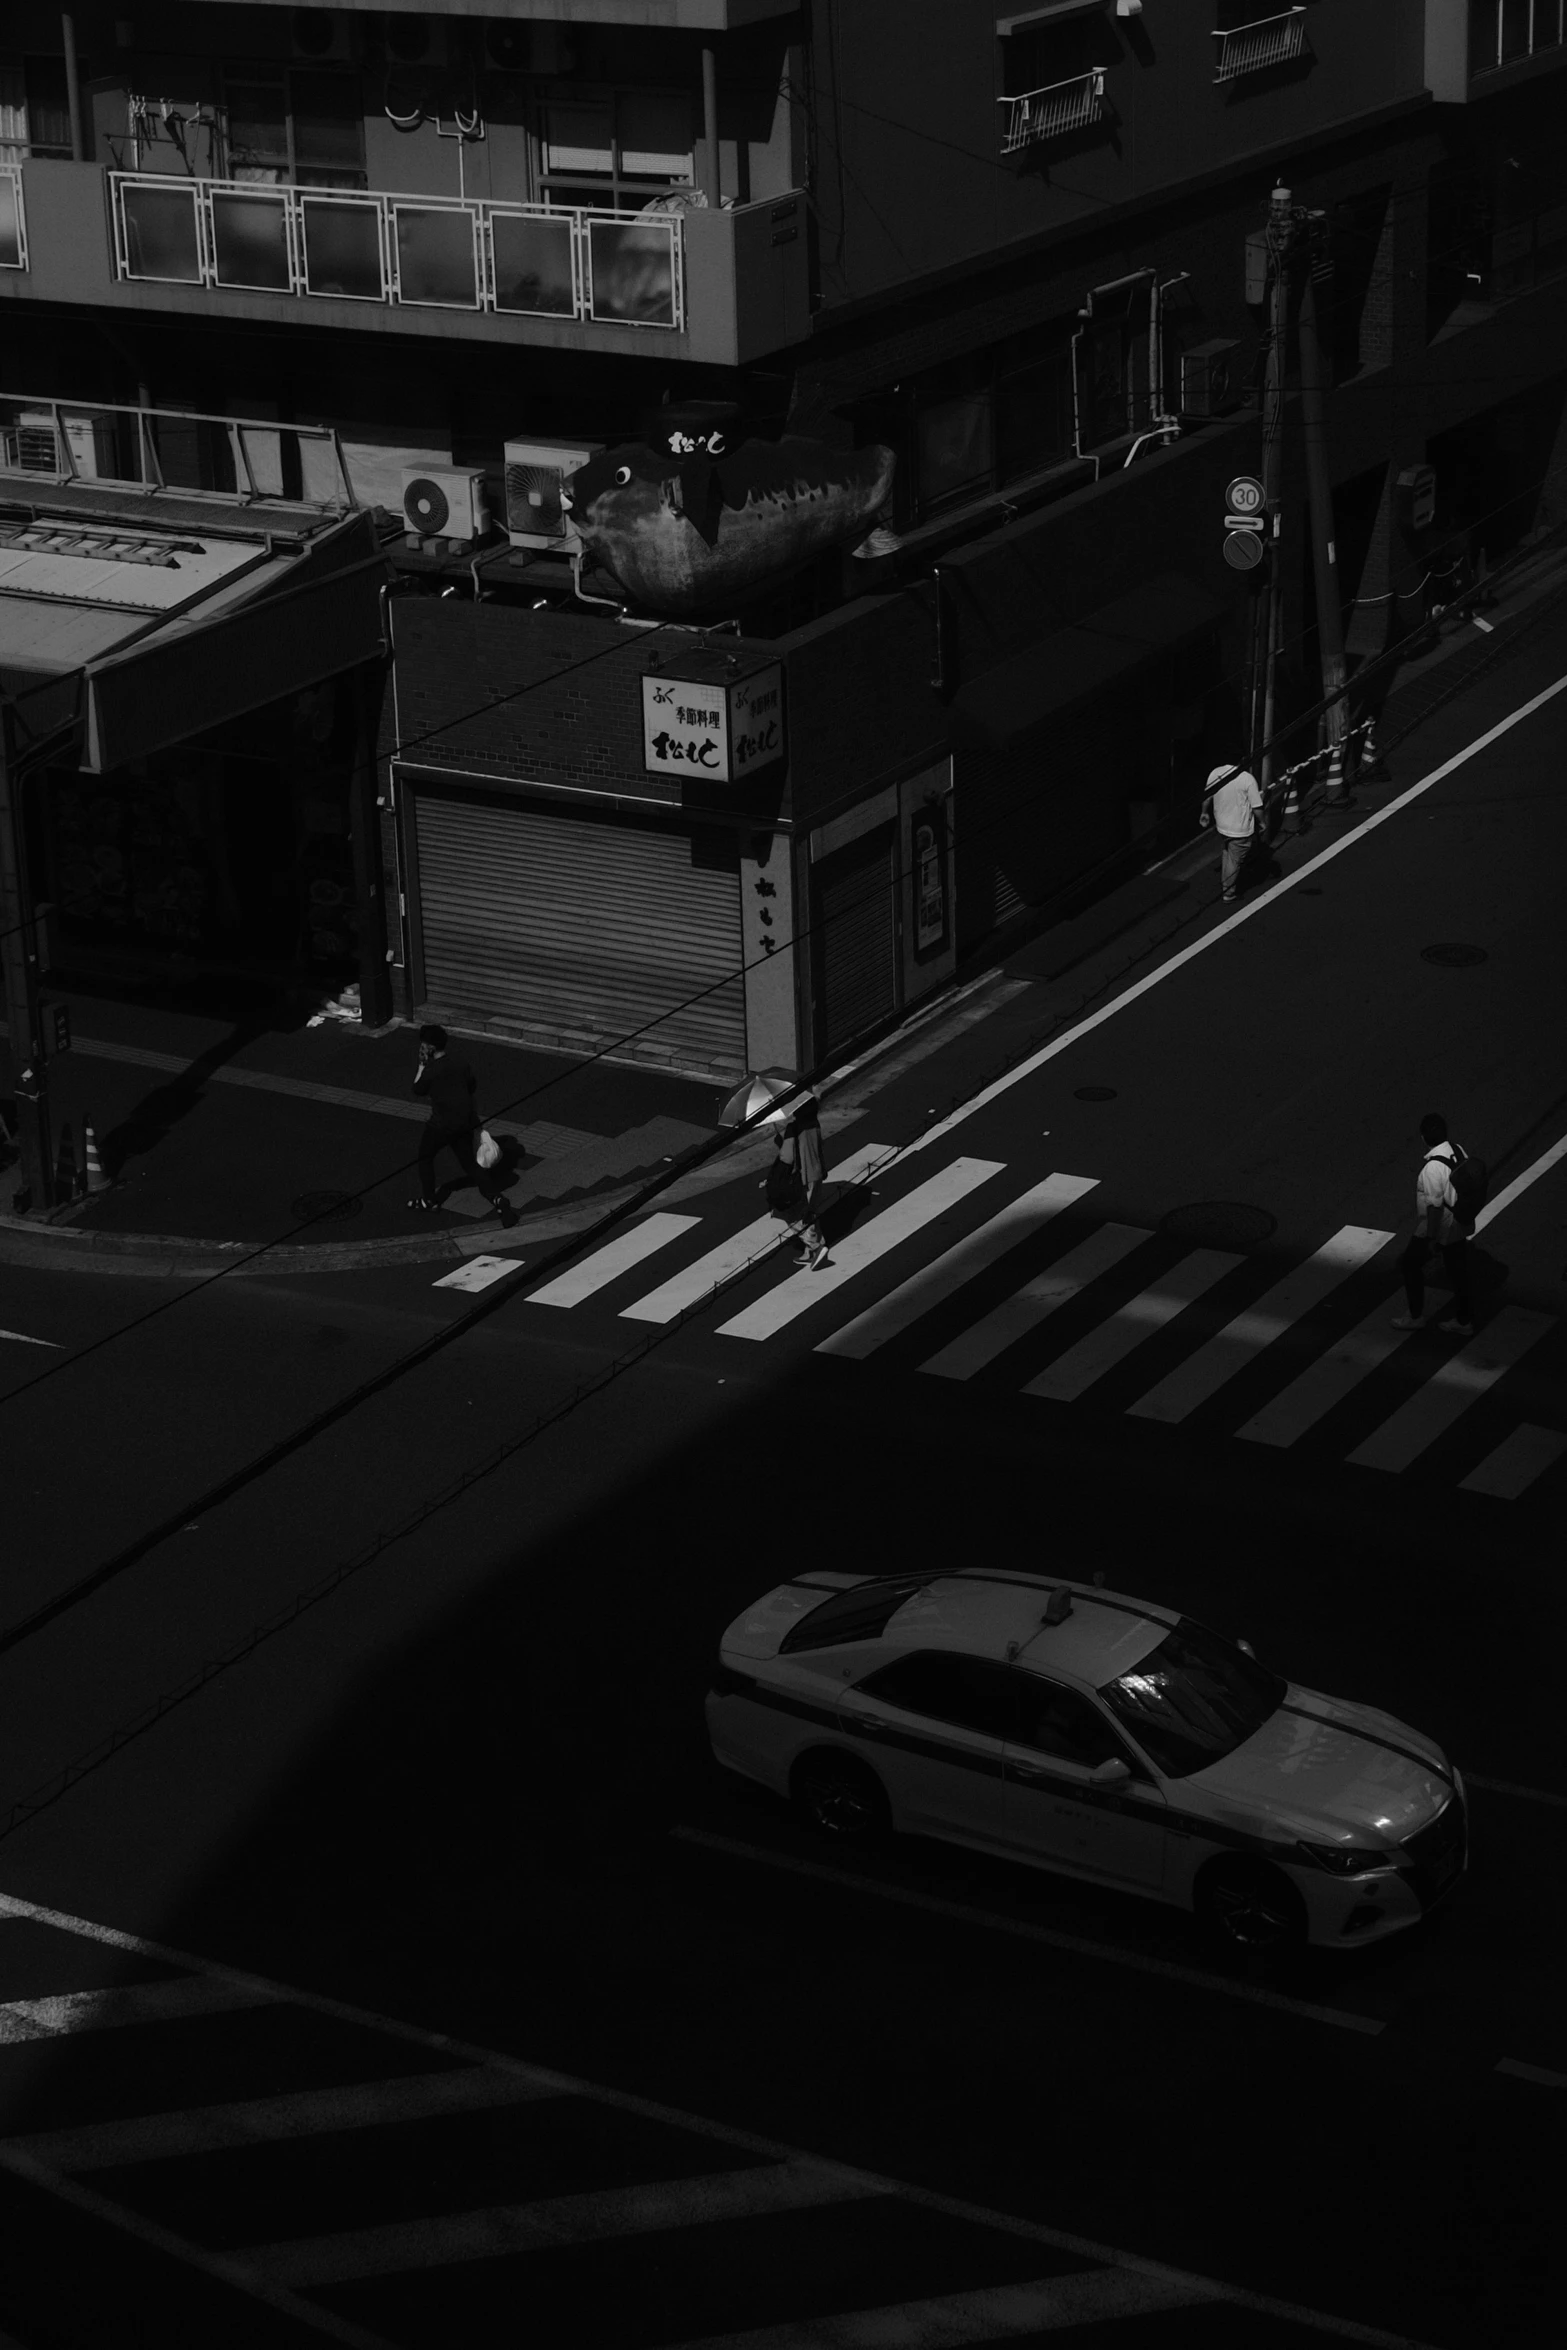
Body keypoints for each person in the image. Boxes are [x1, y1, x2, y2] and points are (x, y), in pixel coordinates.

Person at [409, 1024, 517, 1226]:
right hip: (464, 1123)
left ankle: (429, 1200)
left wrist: (422, 1064)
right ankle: (498, 1199)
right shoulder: (460, 1062)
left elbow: (417, 1089)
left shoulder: (431, 1070)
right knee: (470, 1165)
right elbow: (471, 1086)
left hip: (440, 1125)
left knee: (425, 1158)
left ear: (429, 1046)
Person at [1392, 1112, 1474, 1337]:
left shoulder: (1431, 1169)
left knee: (1410, 1264)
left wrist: (1430, 1239)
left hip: (1440, 1226)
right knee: (1458, 1273)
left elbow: (1435, 1207)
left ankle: (1415, 1316)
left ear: (1423, 1138)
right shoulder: (1458, 1149)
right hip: (1460, 1220)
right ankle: (1464, 1320)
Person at [763, 1094, 830, 1270]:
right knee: (810, 1213)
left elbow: (787, 1157)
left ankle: (817, 1247)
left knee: (793, 1215)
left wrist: (781, 1142)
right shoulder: (814, 1125)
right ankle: (810, 1252)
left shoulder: (794, 1128)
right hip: (816, 1174)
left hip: (801, 1179)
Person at [1201, 762, 1264, 902]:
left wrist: (1204, 812)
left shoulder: (1215, 772)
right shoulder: (1246, 778)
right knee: (1235, 860)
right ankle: (1228, 892)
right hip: (1239, 828)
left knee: (1227, 853)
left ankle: (1226, 883)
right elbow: (1257, 806)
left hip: (1222, 825)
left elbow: (1207, 795)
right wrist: (1262, 822)